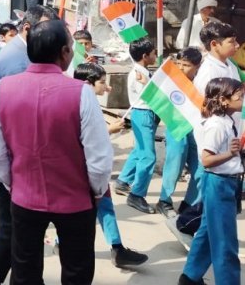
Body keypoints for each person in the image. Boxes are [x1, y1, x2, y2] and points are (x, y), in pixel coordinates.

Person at [0, 20, 113, 284]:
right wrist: (97, 191)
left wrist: (14, 185)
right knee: (76, 272)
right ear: (64, 53)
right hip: (75, 201)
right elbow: (99, 159)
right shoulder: (81, 93)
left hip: (24, 197)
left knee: (24, 270)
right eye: (71, 47)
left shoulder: (3, 89)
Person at [0, 4, 58, 285]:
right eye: (47, 30)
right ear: (28, 28)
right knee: (13, 227)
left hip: (17, 155)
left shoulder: (27, 53)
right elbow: (15, 115)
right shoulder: (18, 60)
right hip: (9, 156)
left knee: (25, 228)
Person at [74, 62, 149, 269]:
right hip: (87, 166)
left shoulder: (83, 97)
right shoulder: (82, 102)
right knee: (86, 210)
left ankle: (116, 248)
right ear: (88, 83)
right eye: (102, 82)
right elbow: (82, 137)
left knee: (98, 207)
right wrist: (109, 131)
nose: (105, 86)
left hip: (90, 166)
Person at [179, 77, 244, 285]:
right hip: (219, 183)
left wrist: (236, 153)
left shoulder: (228, 121)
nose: (242, 99)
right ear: (224, 100)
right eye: (239, 96)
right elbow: (206, 160)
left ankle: (190, 276)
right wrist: (230, 153)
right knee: (225, 243)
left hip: (227, 183)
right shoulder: (217, 125)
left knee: (208, 233)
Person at [114, 38, 159, 214]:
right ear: (145, 56)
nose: (156, 55)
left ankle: (124, 180)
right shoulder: (138, 74)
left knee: (140, 150)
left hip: (145, 114)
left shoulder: (143, 71)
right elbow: (151, 96)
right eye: (154, 53)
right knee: (148, 157)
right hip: (143, 113)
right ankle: (137, 194)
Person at [157, 47, 203, 217]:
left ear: (198, 66)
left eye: (187, 65)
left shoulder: (202, 81)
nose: (182, 68)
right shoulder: (171, 80)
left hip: (196, 128)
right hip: (176, 125)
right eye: (179, 64)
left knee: (200, 168)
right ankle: (164, 200)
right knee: (175, 162)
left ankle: (189, 204)